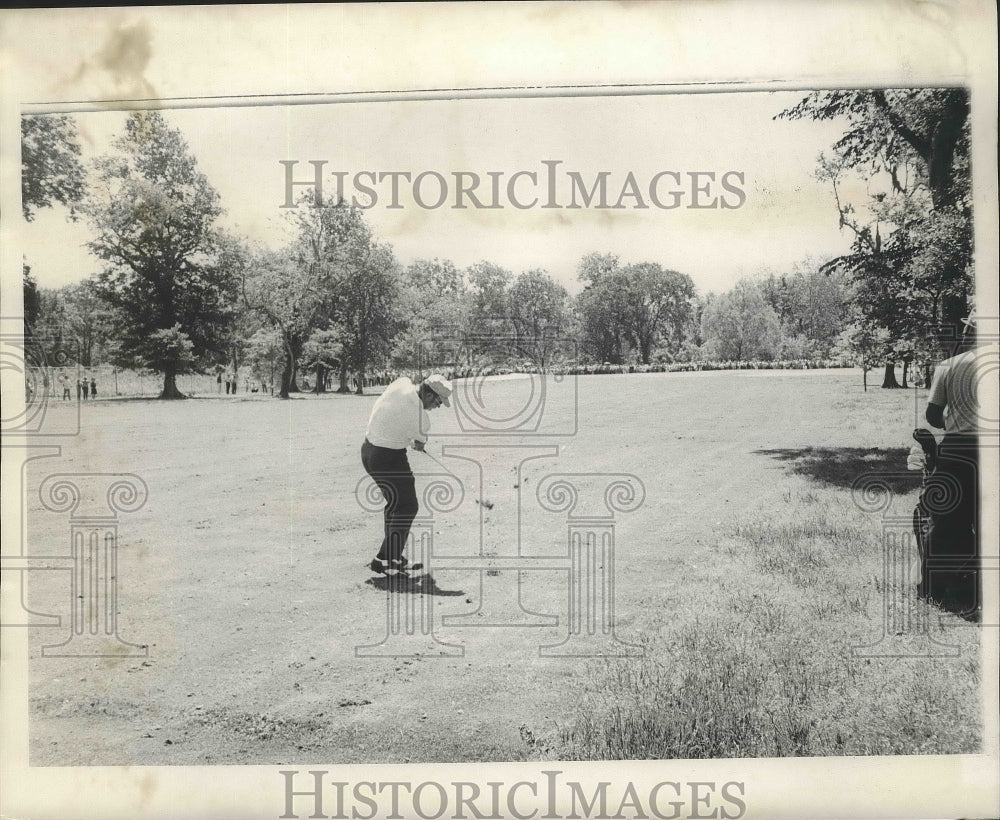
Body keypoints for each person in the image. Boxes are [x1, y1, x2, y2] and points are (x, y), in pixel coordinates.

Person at [360, 373, 451, 574]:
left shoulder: (401, 383)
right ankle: (383, 559)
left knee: (396, 505)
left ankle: (392, 557)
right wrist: (417, 440)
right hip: (387, 458)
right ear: (428, 395)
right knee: (407, 506)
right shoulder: (422, 419)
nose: (437, 406)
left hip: (368, 451)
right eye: (438, 401)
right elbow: (419, 444)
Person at [922, 314, 982, 618]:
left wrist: (955, 420)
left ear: (970, 330)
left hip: (957, 449)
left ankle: (934, 589)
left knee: (946, 522)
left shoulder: (950, 365)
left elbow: (932, 415)